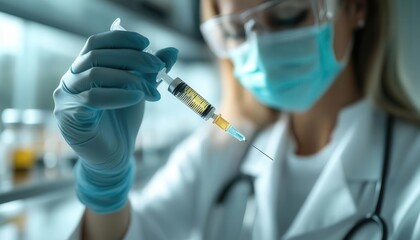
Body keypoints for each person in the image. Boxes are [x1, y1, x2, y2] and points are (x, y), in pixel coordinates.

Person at [54, 0, 420, 239]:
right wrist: (106, 190)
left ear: (357, 7)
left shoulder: (412, 170)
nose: (260, 47)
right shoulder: (216, 152)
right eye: (233, 31)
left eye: (288, 14)